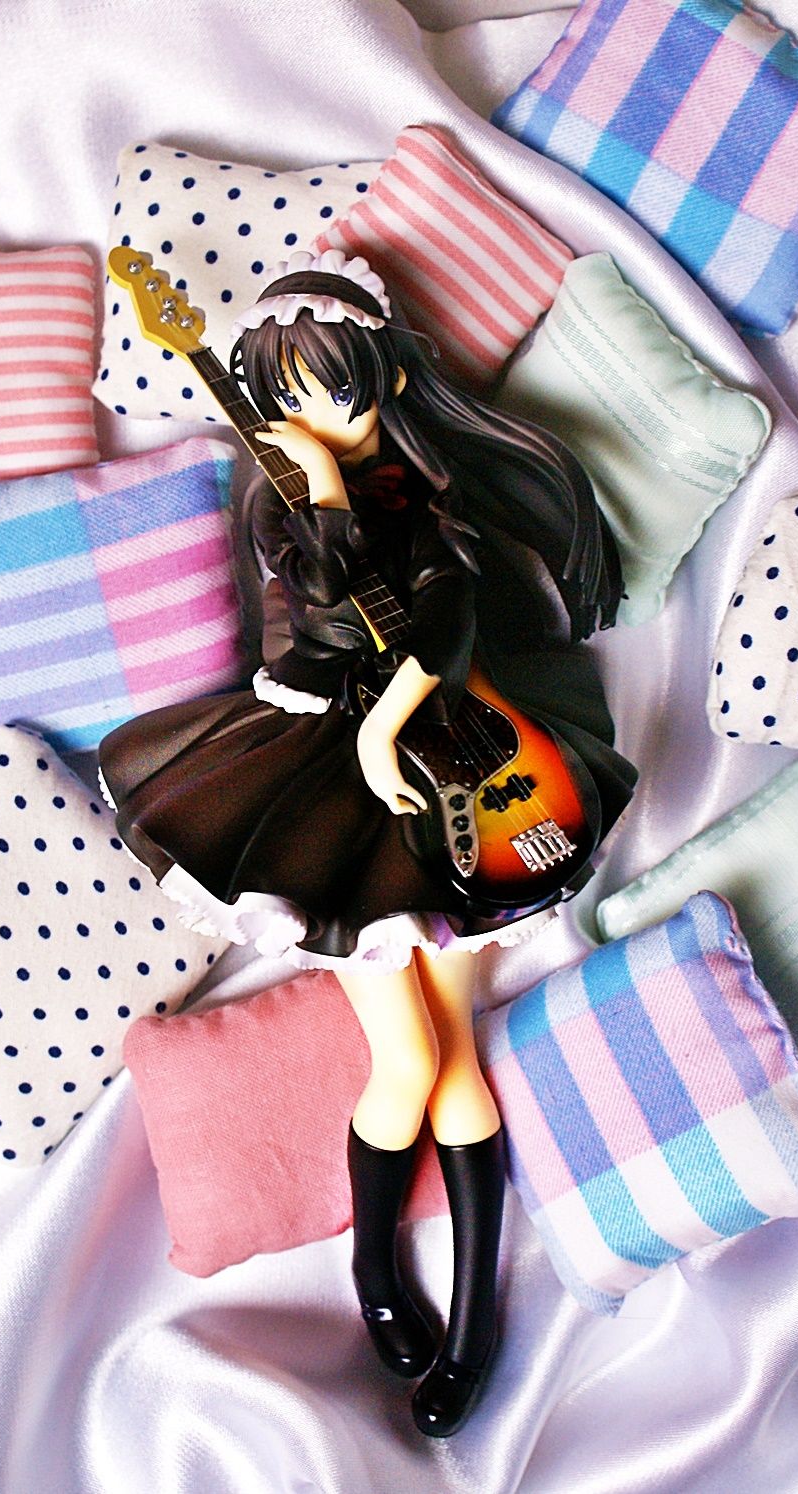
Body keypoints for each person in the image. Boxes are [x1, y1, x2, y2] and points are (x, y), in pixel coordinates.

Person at [98, 249, 636, 1436]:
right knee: (418, 1060)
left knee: (444, 1058)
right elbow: (308, 642)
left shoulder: (425, 497)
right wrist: (317, 497)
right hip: (328, 787)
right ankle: (384, 1278)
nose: (311, 421)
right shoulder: (286, 504)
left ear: (384, 378)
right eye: (284, 398)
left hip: (453, 757)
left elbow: (444, 618)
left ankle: (463, 1313)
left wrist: (391, 718)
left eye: (331, 392)